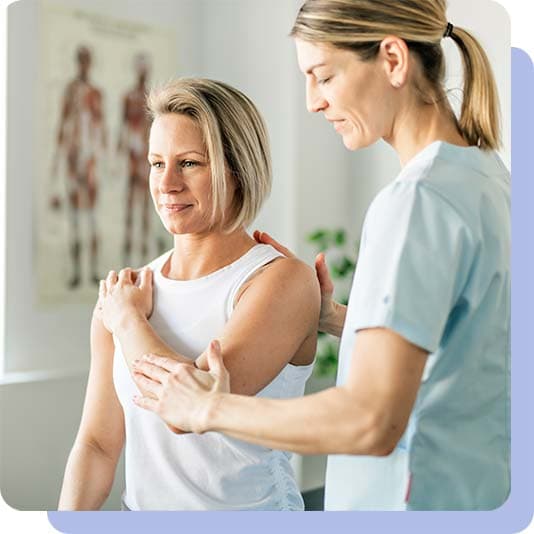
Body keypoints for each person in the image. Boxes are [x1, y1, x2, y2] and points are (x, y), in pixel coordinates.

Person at [126, 0, 510, 511]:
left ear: (393, 60)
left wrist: (208, 407)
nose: (312, 101)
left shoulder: (417, 201)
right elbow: (464, 344)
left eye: (323, 76)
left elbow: (369, 421)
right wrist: (338, 320)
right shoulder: (488, 179)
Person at [58, 78, 320, 511]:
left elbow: (192, 404)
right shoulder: (130, 292)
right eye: (157, 163)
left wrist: (127, 323)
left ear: (237, 170)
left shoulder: (281, 281)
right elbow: (98, 444)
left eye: (190, 163)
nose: (167, 184)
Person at [51, 45, 107, 288]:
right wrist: (57, 161)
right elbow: (62, 125)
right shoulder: (71, 90)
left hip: (90, 160)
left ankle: (93, 269)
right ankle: (76, 271)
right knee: (74, 217)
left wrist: (102, 160)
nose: (84, 64)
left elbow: (101, 126)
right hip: (73, 160)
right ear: (78, 62)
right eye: (81, 60)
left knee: (92, 217)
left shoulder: (95, 93)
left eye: (87, 60)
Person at [116, 52, 153, 266]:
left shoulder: (153, 97)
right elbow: (122, 126)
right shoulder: (129, 96)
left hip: (147, 155)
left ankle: (146, 256)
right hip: (133, 153)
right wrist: (118, 154)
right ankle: (128, 256)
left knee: (147, 205)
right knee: (131, 203)